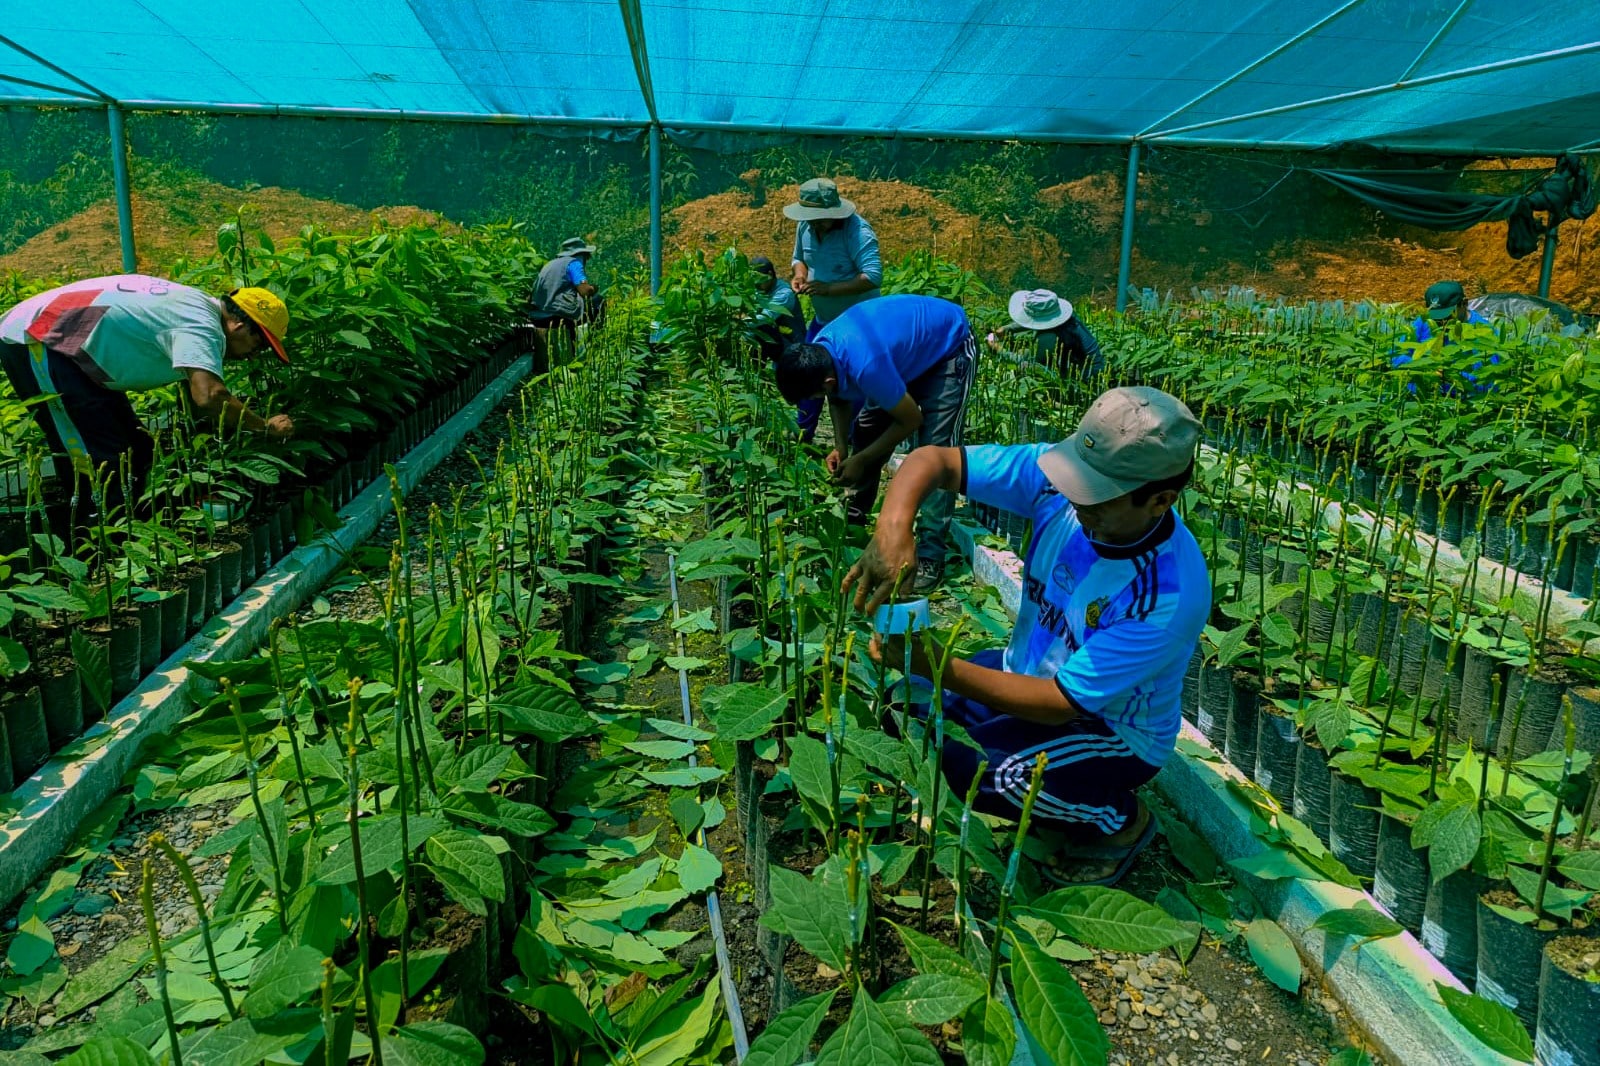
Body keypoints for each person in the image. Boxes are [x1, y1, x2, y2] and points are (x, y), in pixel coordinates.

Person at [845, 386, 1209, 886]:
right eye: (1076, 483)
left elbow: (1059, 704)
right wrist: (893, 527)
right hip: (1024, 675)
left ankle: (1120, 820)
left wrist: (933, 661)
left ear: (1160, 500)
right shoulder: (1053, 482)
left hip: (1108, 731)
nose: (1076, 501)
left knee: (988, 775)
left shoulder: (1167, 594)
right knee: (901, 708)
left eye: (1097, 496)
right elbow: (931, 460)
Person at [0, 275, 294, 526]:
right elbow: (209, 396)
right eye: (260, 345)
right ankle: (105, 552)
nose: (255, 356)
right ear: (239, 325)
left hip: (70, 344)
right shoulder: (202, 326)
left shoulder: (198, 310)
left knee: (138, 448)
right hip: (38, 338)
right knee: (98, 457)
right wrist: (263, 428)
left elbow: (196, 405)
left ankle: (132, 531)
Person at [774, 294, 974, 592]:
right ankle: (855, 519)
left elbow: (910, 420)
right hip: (906, 353)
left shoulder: (866, 365)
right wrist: (843, 448)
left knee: (935, 455)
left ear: (826, 381)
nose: (819, 400)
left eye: (813, 395)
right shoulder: (824, 349)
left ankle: (932, 554)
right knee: (866, 430)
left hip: (948, 348)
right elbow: (836, 398)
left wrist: (864, 459)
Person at [785, 178, 882, 439]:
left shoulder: (857, 231)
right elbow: (799, 258)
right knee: (807, 375)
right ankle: (802, 435)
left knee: (853, 382)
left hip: (859, 326)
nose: (814, 222)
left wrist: (829, 289)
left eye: (820, 218)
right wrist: (800, 275)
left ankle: (855, 442)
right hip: (823, 320)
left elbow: (873, 276)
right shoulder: (806, 226)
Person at [1390, 280, 1497, 394]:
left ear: (1464, 304)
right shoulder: (1424, 321)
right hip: (1419, 396)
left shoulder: (1483, 332)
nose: (1441, 321)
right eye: (1435, 317)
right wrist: (1424, 368)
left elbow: (1488, 384)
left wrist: (1450, 376)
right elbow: (1396, 356)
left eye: (1447, 315)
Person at [990, 288, 1105, 379]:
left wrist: (999, 350)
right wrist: (1008, 328)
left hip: (1083, 378)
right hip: (1086, 364)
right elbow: (1037, 319)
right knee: (1024, 352)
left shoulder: (1049, 338)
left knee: (1023, 366)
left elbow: (1031, 363)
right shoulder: (1064, 317)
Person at [528, 237, 603, 342]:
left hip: (538, 317)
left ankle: (572, 341)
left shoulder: (550, 264)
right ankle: (597, 339)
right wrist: (593, 288)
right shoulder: (574, 264)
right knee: (598, 300)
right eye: (587, 256)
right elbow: (585, 292)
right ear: (581, 255)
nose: (587, 259)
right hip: (556, 317)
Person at [750, 255, 806, 365]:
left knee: (762, 328)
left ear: (770, 274)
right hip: (779, 343)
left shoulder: (784, 293)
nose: (756, 285)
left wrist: (738, 322)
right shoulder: (761, 290)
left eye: (759, 280)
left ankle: (756, 372)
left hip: (794, 347)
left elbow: (765, 317)